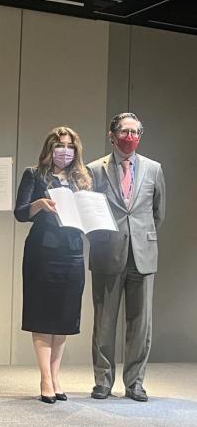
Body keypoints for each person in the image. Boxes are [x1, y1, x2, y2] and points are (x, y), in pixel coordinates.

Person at [88, 113, 165, 402]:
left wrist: (140, 236)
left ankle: (135, 383)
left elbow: (158, 212)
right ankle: (103, 381)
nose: (130, 137)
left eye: (135, 132)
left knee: (141, 323)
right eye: (124, 132)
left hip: (143, 254)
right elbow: (89, 211)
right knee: (104, 322)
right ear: (112, 135)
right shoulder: (95, 169)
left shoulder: (154, 169)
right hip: (107, 252)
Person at [14, 126, 92, 404]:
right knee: (43, 315)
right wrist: (39, 204)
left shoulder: (83, 178)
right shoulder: (33, 174)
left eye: (70, 146)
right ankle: (45, 378)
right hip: (42, 252)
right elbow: (20, 213)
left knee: (63, 318)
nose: (65, 151)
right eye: (60, 146)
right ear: (50, 148)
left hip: (72, 252)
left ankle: (56, 377)